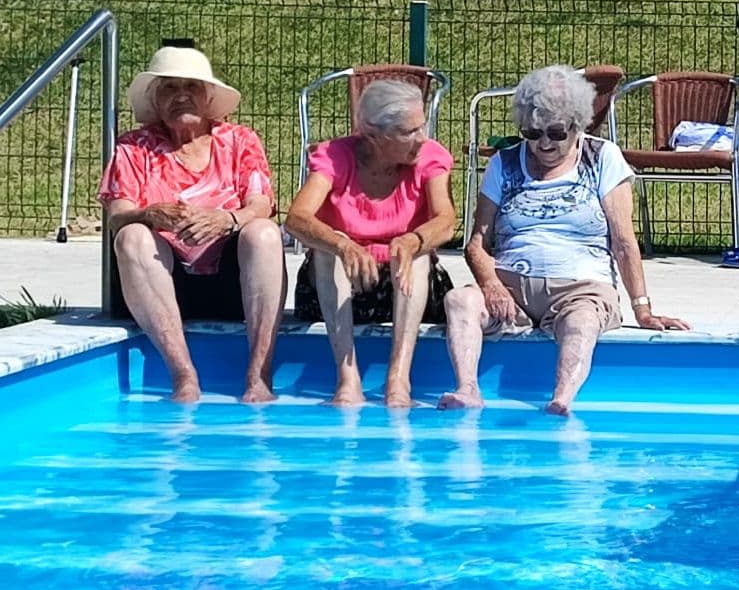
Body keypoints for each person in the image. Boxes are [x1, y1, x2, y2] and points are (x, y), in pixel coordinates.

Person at [440, 65, 689, 416]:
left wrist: (642, 310)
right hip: (510, 286)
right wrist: (491, 285)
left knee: (582, 322)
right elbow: (476, 243)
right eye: (533, 132)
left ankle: (561, 399)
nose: (543, 143)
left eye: (556, 132)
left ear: (577, 125)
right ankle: (467, 389)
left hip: (581, 287)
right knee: (458, 300)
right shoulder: (505, 163)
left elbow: (623, 241)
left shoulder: (602, 157)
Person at [98, 45, 284, 404]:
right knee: (132, 235)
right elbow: (118, 215)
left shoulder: (239, 140)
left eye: (191, 86)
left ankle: (259, 376)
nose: (181, 95)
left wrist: (227, 219)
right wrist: (149, 214)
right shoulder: (134, 148)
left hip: (231, 281)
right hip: (161, 284)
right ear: (155, 98)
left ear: (208, 95)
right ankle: (184, 376)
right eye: (169, 87)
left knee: (263, 232)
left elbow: (261, 205)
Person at [284, 79, 457, 408]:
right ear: (374, 135)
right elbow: (297, 218)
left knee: (416, 255)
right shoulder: (335, 157)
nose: (421, 137)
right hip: (339, 288)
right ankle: (347, 379)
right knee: (327, 251)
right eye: (409, 131)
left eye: (422, 126)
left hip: (405, 288)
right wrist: (343, 245)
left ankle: (398, 379)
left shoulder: (429, 156)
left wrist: (412, 239)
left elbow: (446, 221)